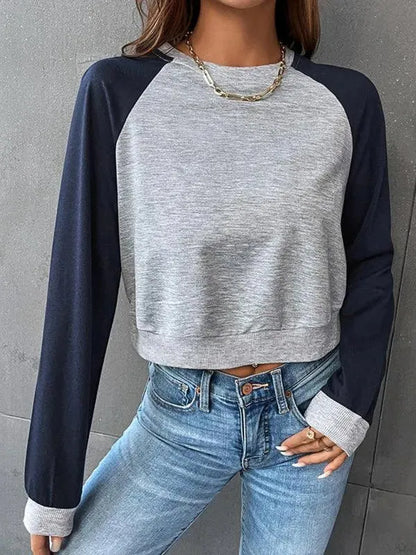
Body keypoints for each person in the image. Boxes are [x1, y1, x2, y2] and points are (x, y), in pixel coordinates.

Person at [22, 0, 395, 553]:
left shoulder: (346, 100)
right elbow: (79, 287)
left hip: (310, 414)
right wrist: (51, 485)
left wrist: (348, 409)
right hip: (180, 416)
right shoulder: (117, 92)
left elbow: (371, 262)